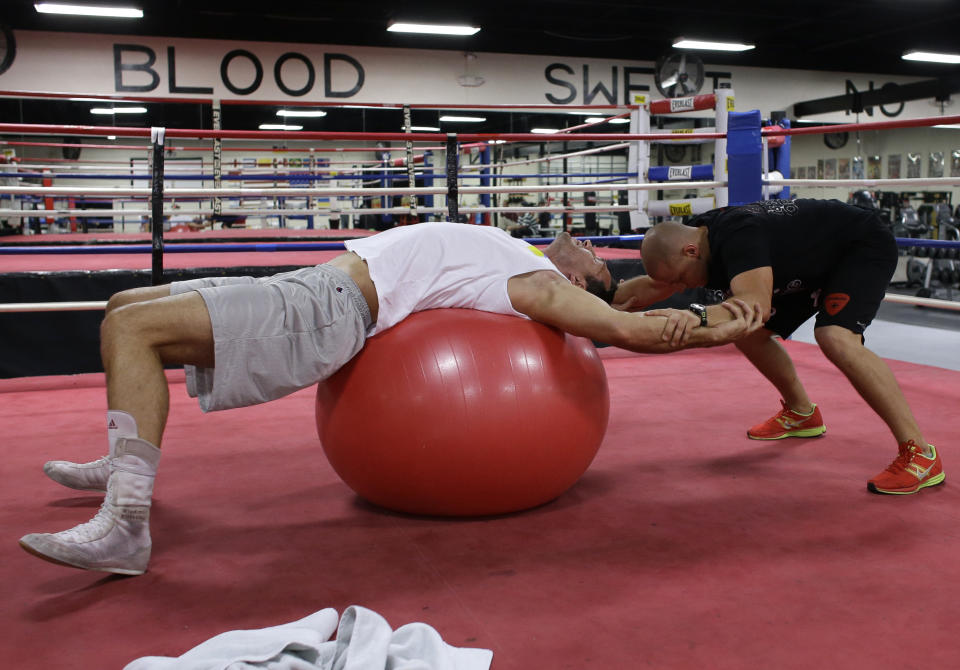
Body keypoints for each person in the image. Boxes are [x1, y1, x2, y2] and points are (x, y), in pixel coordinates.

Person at [20, 222, 763, 575]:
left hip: (331, 308)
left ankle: (126, 522)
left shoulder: (540, 286)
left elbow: (627, 331)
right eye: (594, 250)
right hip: (313, 282)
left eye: (598, 264)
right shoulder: (517, 246)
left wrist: (704, 326)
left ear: (582, 282)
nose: (590, 249)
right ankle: (122, 459)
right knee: (123, 304)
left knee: (139, 331)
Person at [614, 198, 945, 496]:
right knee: (748, 334)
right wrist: (597, 303)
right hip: (808, 264)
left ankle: (921, 453)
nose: (680, 287)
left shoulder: (738, 237)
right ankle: (802, 413)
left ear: (690, 252)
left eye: (681, 279)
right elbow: (656, 284)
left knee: (835, 337)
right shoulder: (698, 241)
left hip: (858, 245)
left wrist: (692, 315)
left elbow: (752, 306)